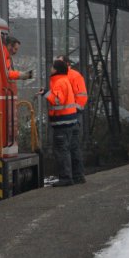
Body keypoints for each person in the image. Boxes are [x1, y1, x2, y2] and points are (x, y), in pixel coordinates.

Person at [40, 59, 81, 187]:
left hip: (62, 123)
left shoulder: (58, 82)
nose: (50, 68)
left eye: (52, 67)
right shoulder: (65, 80)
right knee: (73, 149)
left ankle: (65, 178)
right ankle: (78, 176)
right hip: (71, 121)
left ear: (56, 70)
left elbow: (57, 100)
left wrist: (46, 93)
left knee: (61, 150)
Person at [57, 55, 87, 184]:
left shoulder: (72, 76)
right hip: (70, 115)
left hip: (70, 116)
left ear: (67, 63)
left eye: (59, 62)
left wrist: (74, 110)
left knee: (67, 146)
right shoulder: (68, 76)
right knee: (73, 146)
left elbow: (81, 96)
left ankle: (71, 176)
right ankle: (78, 176)